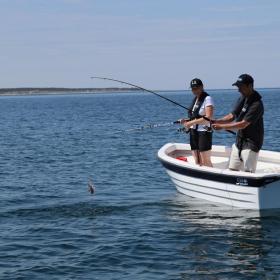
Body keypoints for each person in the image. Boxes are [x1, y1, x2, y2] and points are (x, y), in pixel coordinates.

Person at [212, 74, 264, 173]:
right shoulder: (243, 98)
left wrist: (221, 127)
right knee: (231, 170)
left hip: (251, 145)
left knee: (249, 174)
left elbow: (243, 124)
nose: (238, 90)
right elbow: (232, 116)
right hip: (239, 142)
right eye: (238, 87)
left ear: (250, 86)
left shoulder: (257, 104)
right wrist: (216, 121)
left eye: (241, 87)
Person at [180, 78, 214, 167]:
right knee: (197, 159)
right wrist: (187, 120)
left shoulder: (207, 99)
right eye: (193, 89)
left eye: (196, 88)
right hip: (193, 131)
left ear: (202, 87)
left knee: (205, 160)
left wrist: (190, 123)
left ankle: (210, 176)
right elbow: (195, 116)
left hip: (204, 131)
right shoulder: (195, 99)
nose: (194, 90)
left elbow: (208, 116)